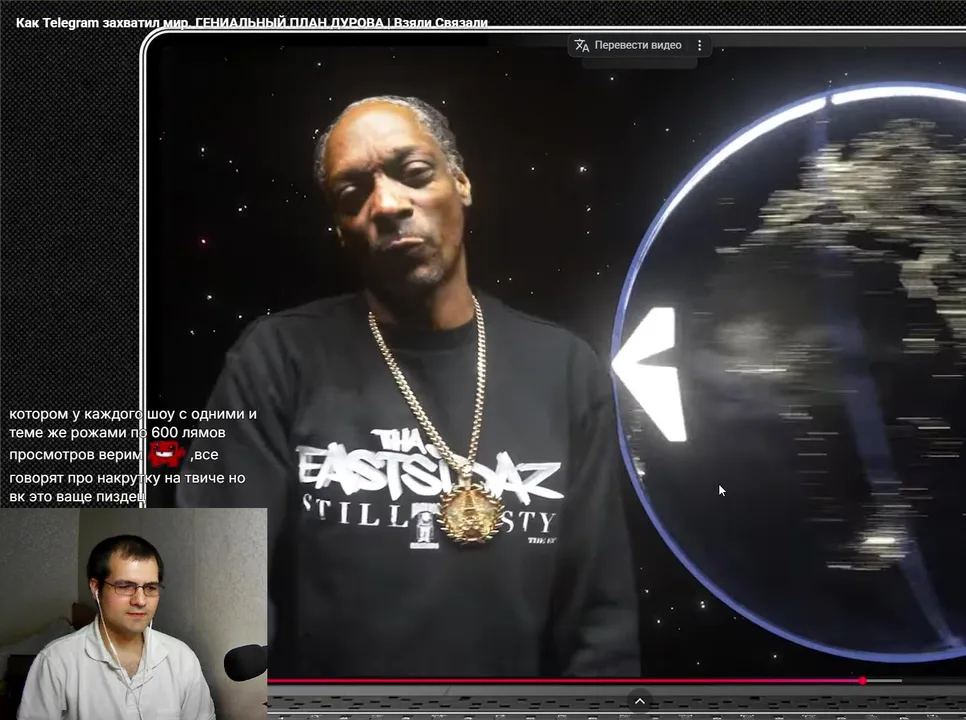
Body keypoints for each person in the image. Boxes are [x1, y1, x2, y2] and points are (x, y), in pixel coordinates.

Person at [175, 95, 640, 678]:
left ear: (461, 183)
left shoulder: (565, 368)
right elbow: (214, 595)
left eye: (414, 173)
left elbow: (600, 625)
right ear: (340, 228)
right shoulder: (276, 359)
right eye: (353, 194)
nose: (388, 204)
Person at [18, 536, 215, 720]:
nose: (140, 600)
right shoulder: (57, 661)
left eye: (150, 588)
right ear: (96, 589)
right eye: (125, 586)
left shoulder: (181, 659)